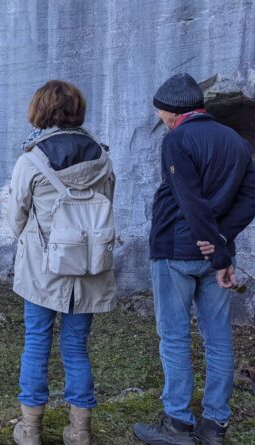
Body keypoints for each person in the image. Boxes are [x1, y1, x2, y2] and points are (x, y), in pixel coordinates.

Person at [133, 73, 255, 445]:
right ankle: (215, 426)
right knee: (218, 338)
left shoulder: (177, 140)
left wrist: (212, 243)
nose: (159, 116)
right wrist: (222, 244)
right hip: (215, 255)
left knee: (173, 336)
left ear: (173, 110)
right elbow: (251, 196)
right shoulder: (236, 141)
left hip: (176, 250)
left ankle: (178, 425)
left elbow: (189, 200)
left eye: (160, 111)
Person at [6, 80, 116, 445]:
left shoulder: (31, 160)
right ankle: (80, 430)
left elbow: (16, 218)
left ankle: (30, 429)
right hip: (89, 268)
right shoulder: (102, 157)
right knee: (76, 348)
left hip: (43, 271)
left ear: (41, 111)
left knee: (36, 342)